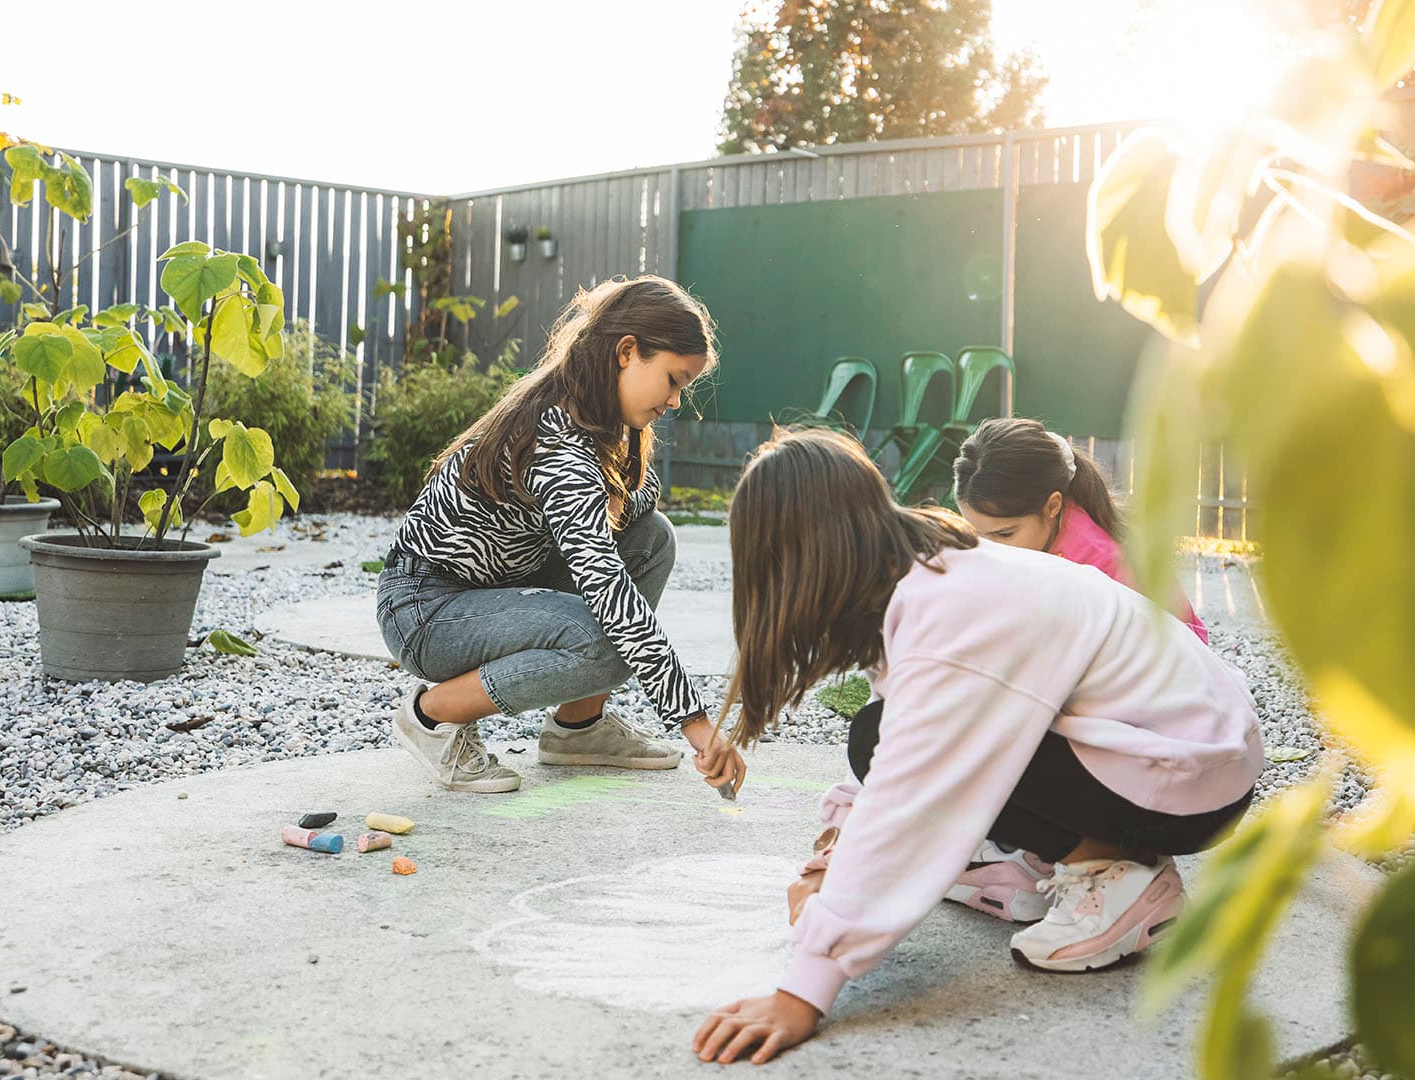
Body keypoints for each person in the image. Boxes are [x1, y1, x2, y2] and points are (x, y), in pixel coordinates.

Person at [691, 429, 1262, 1066]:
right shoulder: (930, 569)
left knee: (888, 739)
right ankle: (1055, 858)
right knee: (876, 732)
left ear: (807, 559)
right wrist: (832, 859)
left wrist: (804, 988)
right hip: (1179, 751)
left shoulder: (949, 610)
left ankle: (1116, 878)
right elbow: (906, 742)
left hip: (1192, 778)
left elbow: (916, 787)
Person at [375, 275, 744, 797]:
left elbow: (643, 495)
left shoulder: (591, 412)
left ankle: (578, 727)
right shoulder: (558, 441)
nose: (677, 401)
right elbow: (613, 600)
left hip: (498, 583)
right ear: (628, 351)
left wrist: (613, 500)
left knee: (652, 539)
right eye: (673, 380)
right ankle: (430, 718)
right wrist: (696, 724)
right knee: (608, 638)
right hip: (427, 608)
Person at [952, 417, 1209, 644]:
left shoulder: (1100, 564)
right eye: (976, 532)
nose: (990, 548)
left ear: (1052, 506)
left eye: (1005, 534)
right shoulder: (1043, 534)